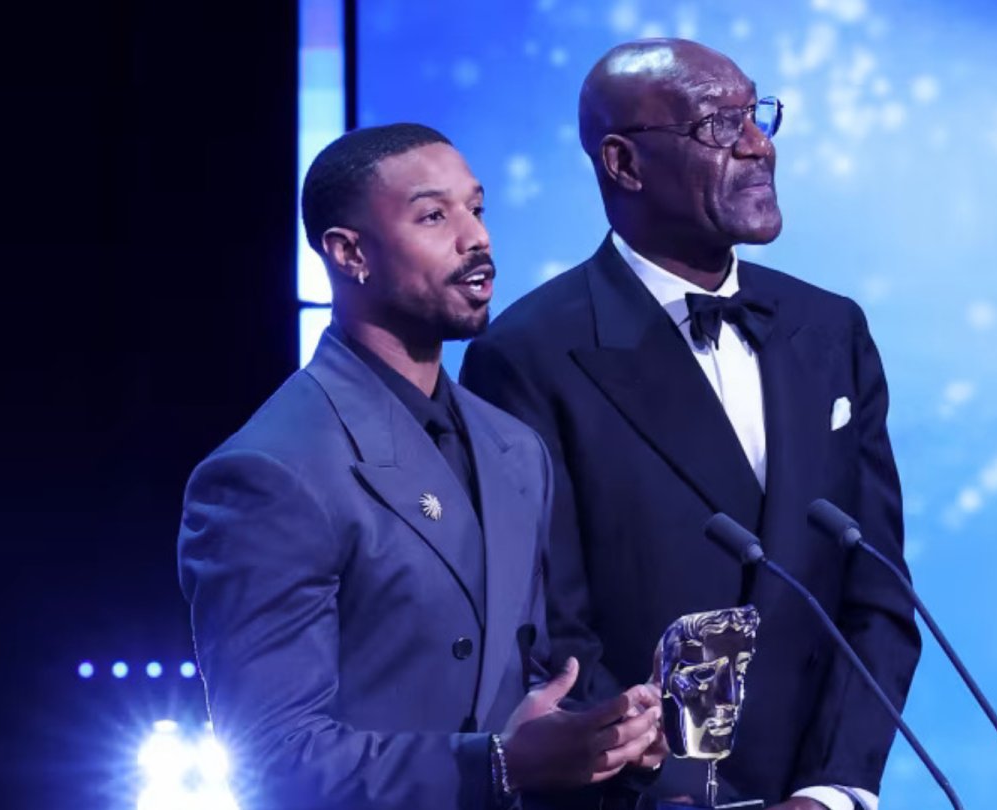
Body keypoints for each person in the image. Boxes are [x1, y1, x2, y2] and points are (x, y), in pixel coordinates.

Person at [461, 40, 922, 810]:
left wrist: (832, 790)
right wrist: (680, 790)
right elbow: (550, 630)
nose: (758, 145)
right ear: (624, 163)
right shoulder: (529, 355)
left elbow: (875, 593)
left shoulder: (830, 329)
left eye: (758, 115)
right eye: (719, 125)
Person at [177, 123, 663, 810]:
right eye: (434, 216)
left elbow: (523, 684)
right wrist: (498, 764)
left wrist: (606, 738)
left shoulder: (513, 447)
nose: (476, 238)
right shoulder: (271, 472)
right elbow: (274, 759)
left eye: (477, 208)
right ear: (350, 253)